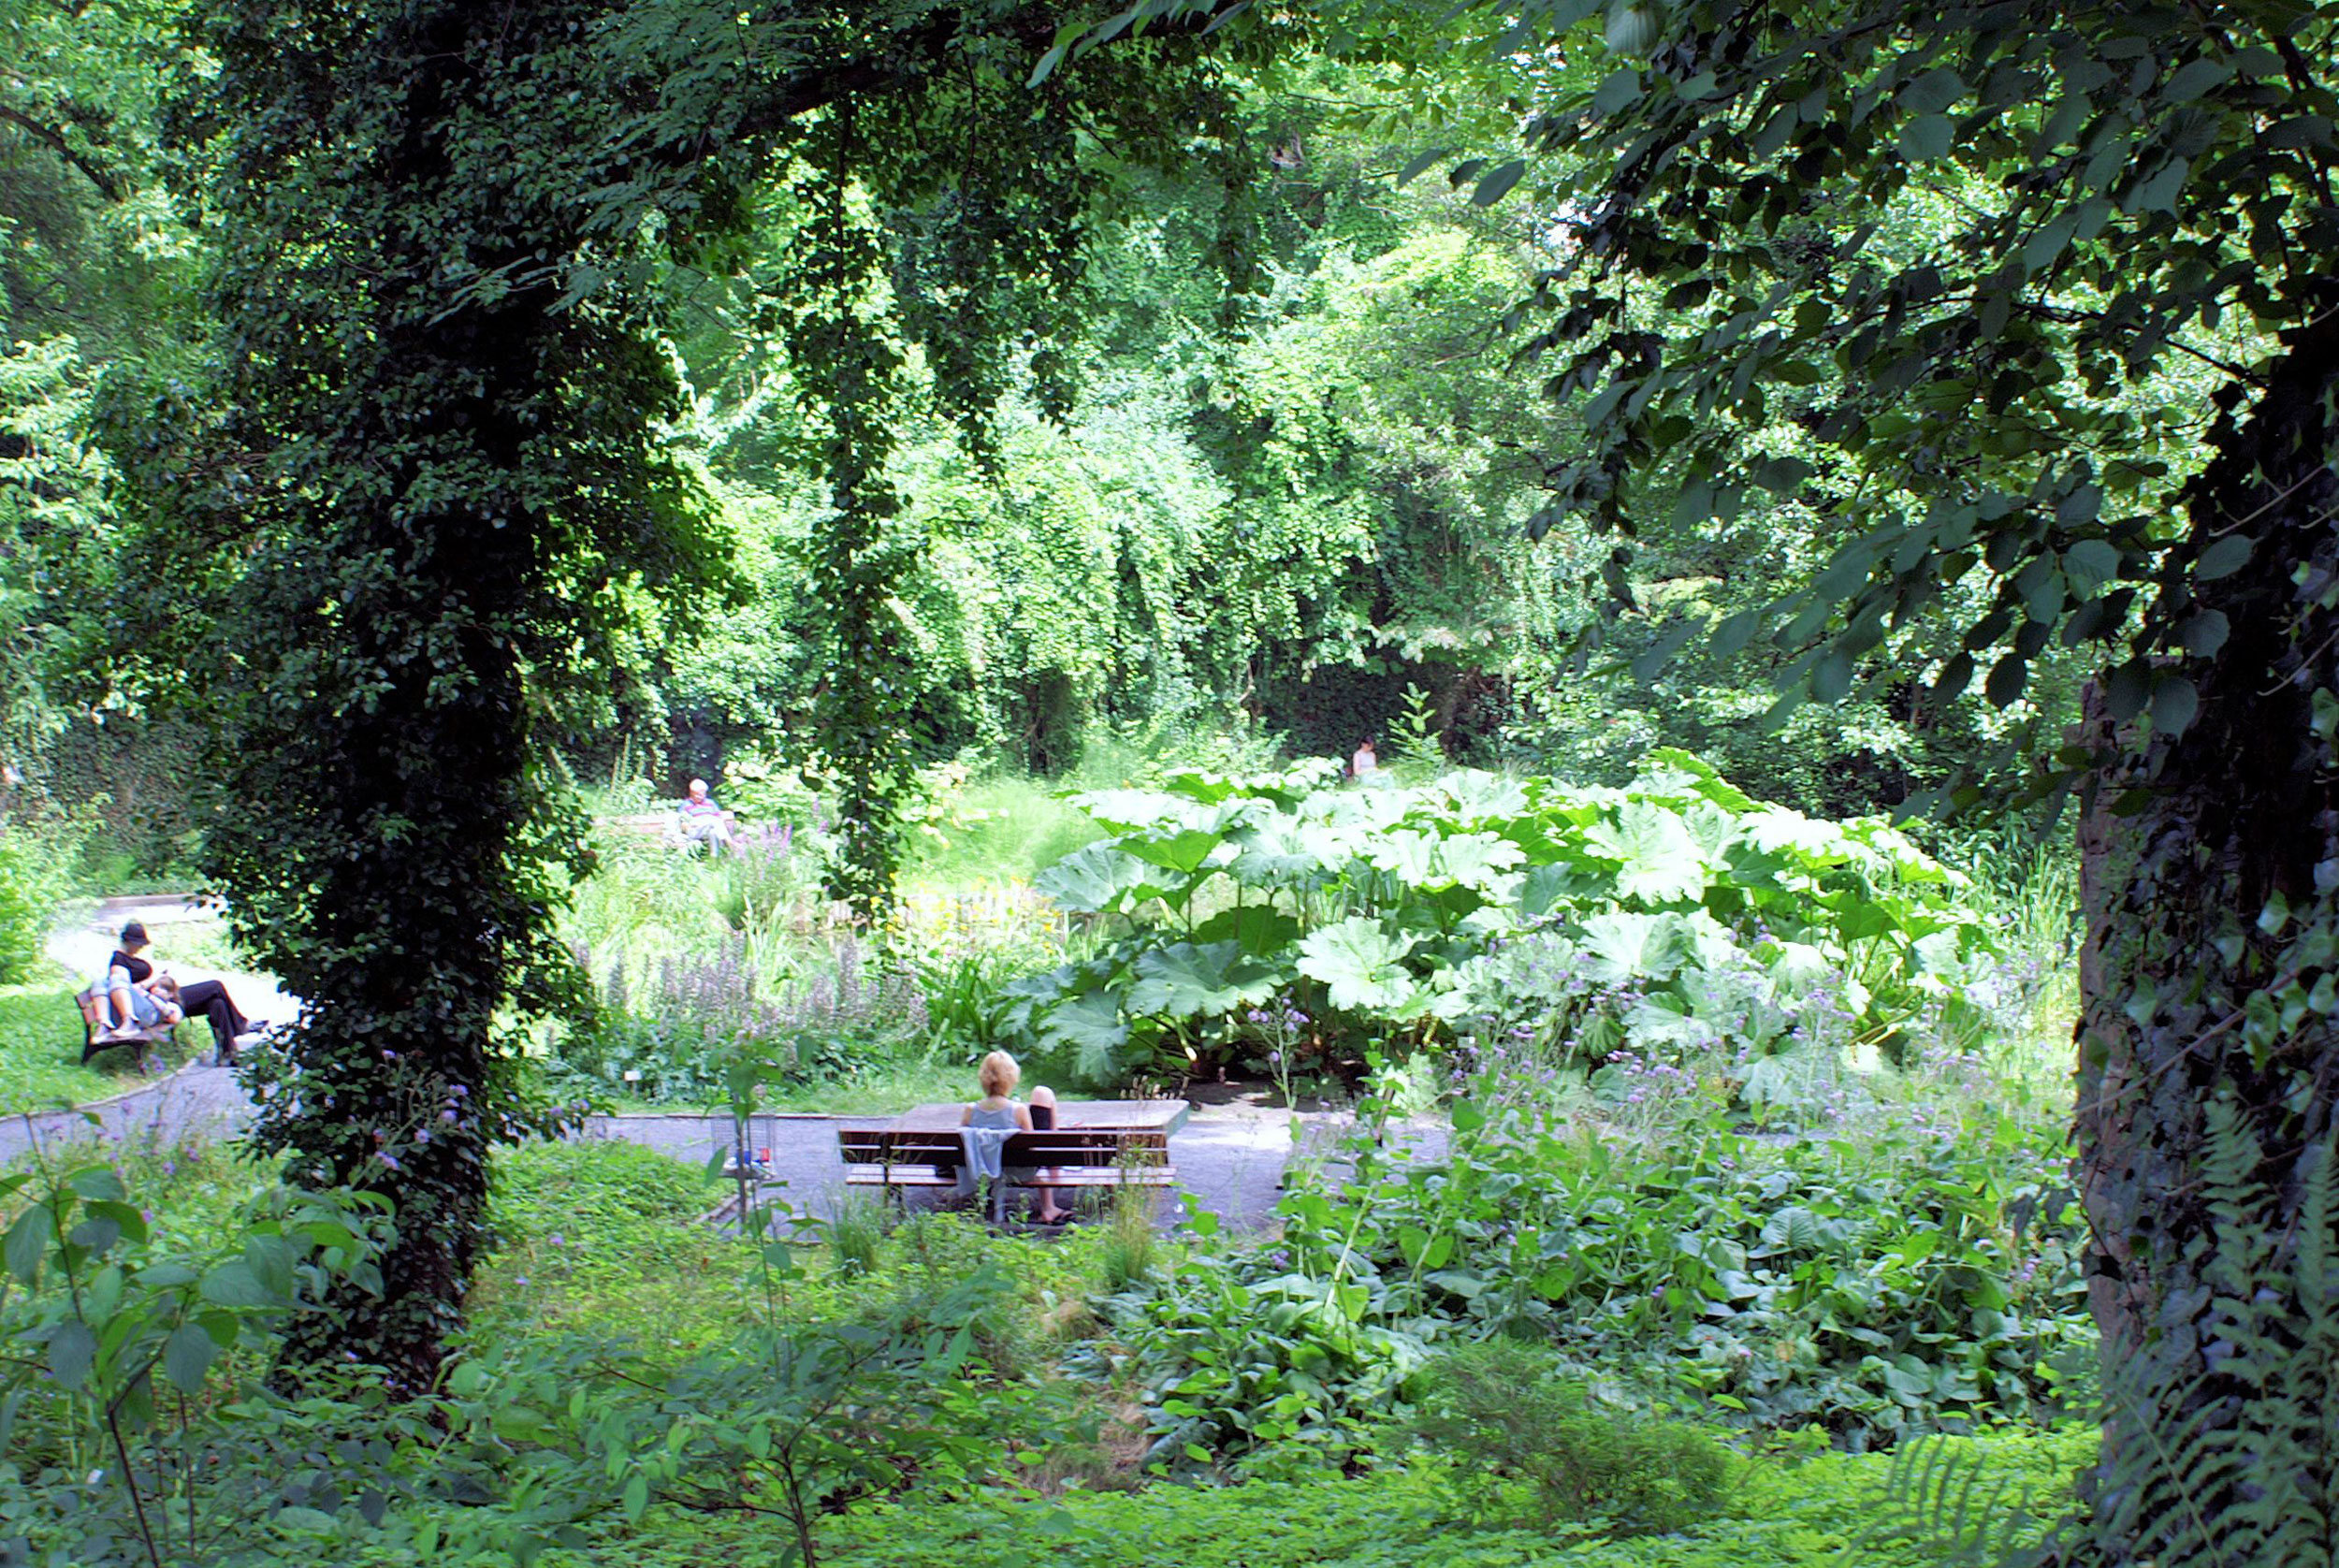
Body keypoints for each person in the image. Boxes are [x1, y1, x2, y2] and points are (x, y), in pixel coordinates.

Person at [102, 921, 267, 1066]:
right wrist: (153, 980)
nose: (141, 947)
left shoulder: (128, 958)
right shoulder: (118, 960)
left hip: (164, 999)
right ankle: (241, 1025)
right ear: (129, 941)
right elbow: (129, 990)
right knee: (215, 986)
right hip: (158, 1005)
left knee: (217, 1003)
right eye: (139, 943)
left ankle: (227, 1055)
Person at [960, 1051, 1069, 1225]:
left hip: (981, 1171)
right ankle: (1050, 1203)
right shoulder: (1018, 1110)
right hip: (1019, 1172)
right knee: (1043, 1094)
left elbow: (967, 1143)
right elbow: (1032, 1148)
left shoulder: (970, 1110)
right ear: (1011, 1078)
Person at [676, 777, 735, 852]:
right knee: (712, 820)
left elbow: (719, 818)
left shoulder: (710, 803)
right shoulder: (685, 805)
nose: (699, 796)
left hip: (709, 828)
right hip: (695, 830)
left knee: (713, 831)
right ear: (691, 793)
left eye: (702, 794)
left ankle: (714, 858)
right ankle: (730, 844)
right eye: (697, 794)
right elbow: (683, 824)